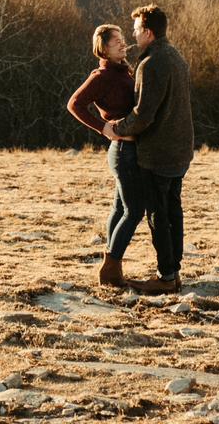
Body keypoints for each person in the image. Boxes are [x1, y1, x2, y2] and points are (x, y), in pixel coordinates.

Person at [103, 2, 194, 294]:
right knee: (173, 211)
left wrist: (116, 128)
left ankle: (165, 277)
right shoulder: (176, 56)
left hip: (159, 154)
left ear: (148, 32)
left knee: (158, 216)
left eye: (136, 29)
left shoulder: (151, 63)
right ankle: (173, 272)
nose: (132, 34)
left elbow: (143, 115)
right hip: (180, 150)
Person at [66, 22, 145, 288]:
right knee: (134, 211)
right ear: (103, 48)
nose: (123, 43)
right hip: (123, 150)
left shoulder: (123, 71)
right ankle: (110, 269)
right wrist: (103, 127)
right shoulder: (103, 76)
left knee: (120, 208)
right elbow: (75, 104)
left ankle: (111, 269)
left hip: (128, 149)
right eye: (116, 41)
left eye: (122, 38)